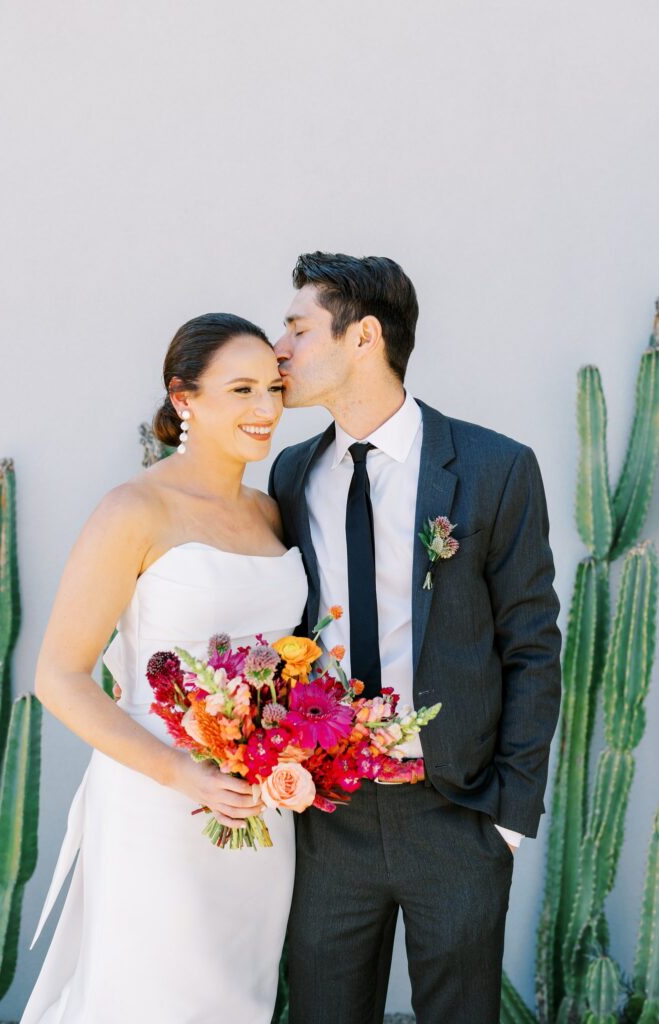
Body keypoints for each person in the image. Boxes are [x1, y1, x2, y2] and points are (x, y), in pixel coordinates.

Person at [269, 252, 562, 1024]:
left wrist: (504, 816)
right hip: (328, 819)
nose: (280, 350)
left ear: (362, 336)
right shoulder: (291, 476)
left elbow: (531, 643)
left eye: (297, 329)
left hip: (454, 810)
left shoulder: (493, 468)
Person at [22, 313, 308, 1024]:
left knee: (238, 999)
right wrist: (185, 774)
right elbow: (57, 675)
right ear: (184, 399)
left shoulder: (272, 513)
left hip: (260, 809)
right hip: (158, 801)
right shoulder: (133, 510)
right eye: (240, 389)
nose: (265, 409)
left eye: (272, 388)